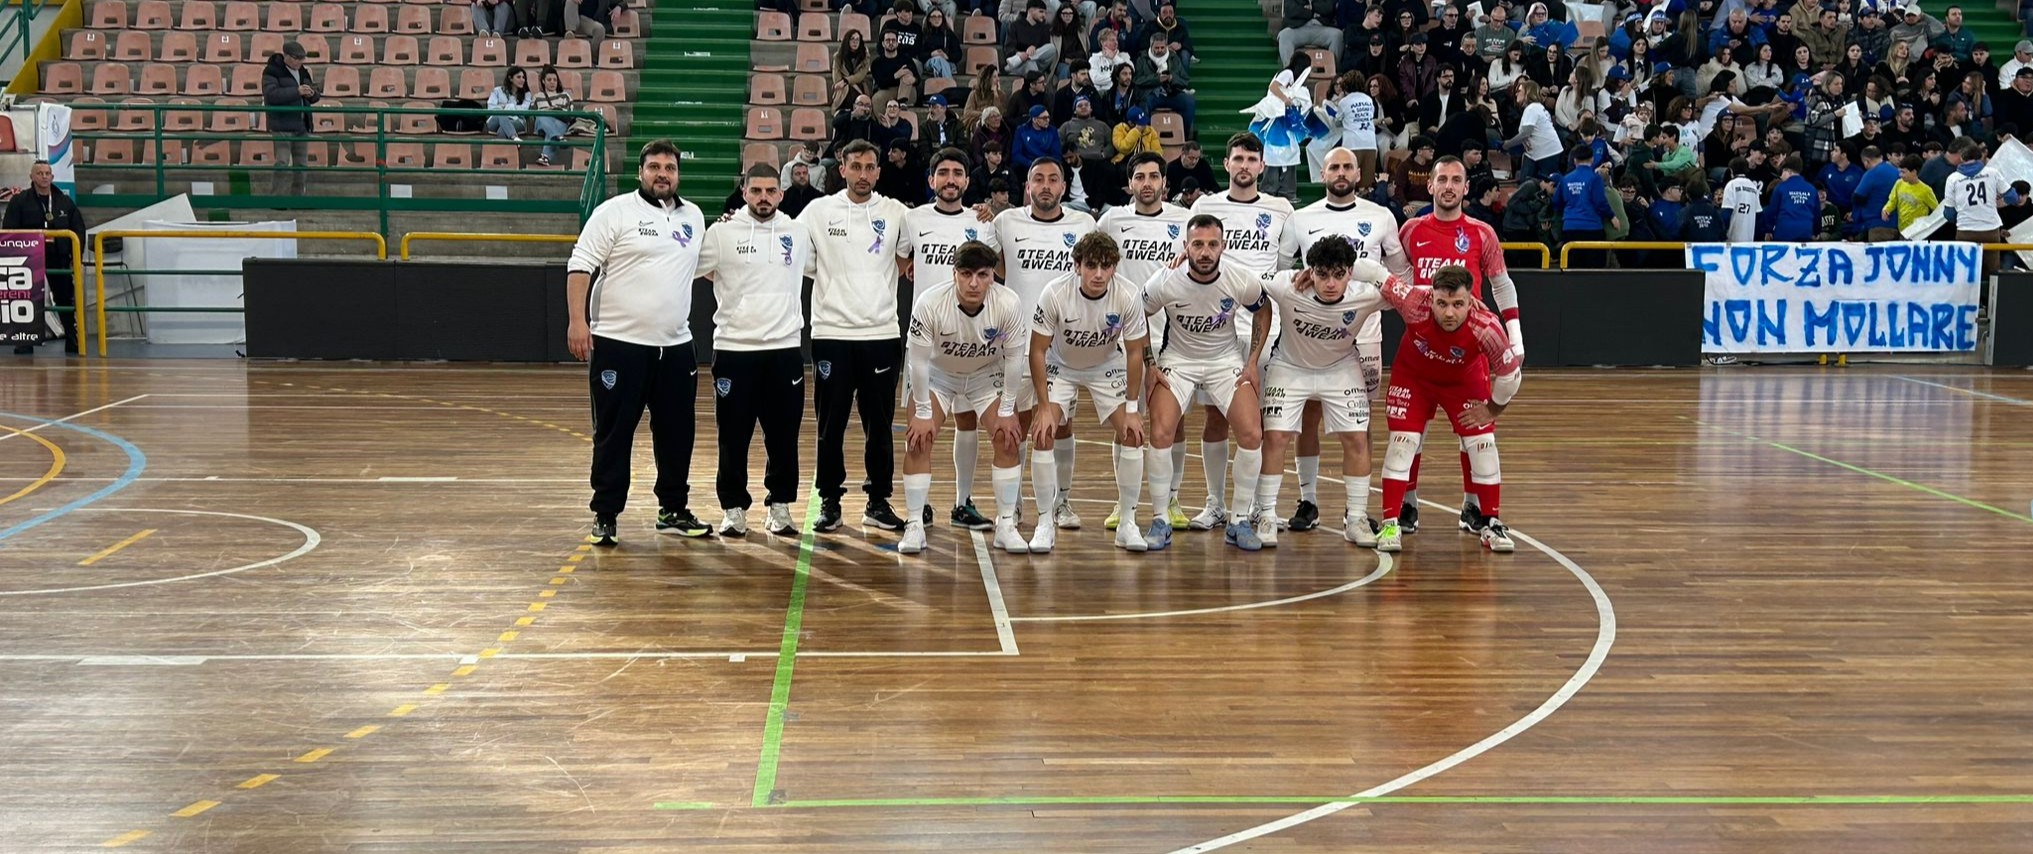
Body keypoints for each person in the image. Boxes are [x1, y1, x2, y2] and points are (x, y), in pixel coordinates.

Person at [566, 140, 709, 546]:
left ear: (678, 174)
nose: (662, 174)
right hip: (619, 344)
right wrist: (578, 322)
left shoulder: (694, 217)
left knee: (677, 433)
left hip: (676, 346)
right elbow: (580, 265)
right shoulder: (614, 212)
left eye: (670, 167)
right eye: (654, 167)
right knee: (614, 432)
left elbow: (701, 267)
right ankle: (606, 513)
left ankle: (673, 509)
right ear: (640, 172)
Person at [1279, 147, 1408, 533]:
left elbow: (1400, 272)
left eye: (1347, 166)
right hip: (1312, 333)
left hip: (1363, 333)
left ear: (1358, 173)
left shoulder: (1381, 216)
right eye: (1333, 166)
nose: (1340, 172)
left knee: (1359, 422)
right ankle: (1308, 501)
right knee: (1308, 416)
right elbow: (1285, 271)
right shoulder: (1300, 218)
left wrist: (1372, 304)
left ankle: (1357, 509)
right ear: (1322, 173)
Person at [1395, 156, 1523, 531]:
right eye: (1442, 180)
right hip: (1420, 348)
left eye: (1456, 180)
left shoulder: (1482, 232)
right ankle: (1407, 503)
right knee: (1410, 432)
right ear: (1430, 186)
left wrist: (1514, 337)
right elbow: (1398, 279)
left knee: (1475, 431)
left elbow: (1501, 284)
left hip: (1470, 351)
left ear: (1466, 188)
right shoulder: (1411, 230)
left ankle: (1472, 506)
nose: (1449, 186)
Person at [797, 139, 918, 533]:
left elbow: (907, 257)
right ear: (842, 169)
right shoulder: (817, 211)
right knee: (830, 424)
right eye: (856, 167)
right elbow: (798, 255)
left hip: (881, 333)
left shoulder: (896, 212)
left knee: (879, 424)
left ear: (878, 172)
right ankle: (829, 501)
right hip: (831, 333)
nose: (863, 174)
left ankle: (878, 500)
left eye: (870, 167)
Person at [1138, 214, 1273, 552]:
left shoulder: (1238, 278)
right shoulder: (1166, 280)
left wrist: (1252, 362)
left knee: (1252, 433)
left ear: (1223, 247)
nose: (1205, 251)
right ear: (1185, 247)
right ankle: (1160, 519)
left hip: (1225, 361)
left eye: (1213, 244)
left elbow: (1264, 307)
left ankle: (1239, 520)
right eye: (1197, 244)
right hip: (1178, 360)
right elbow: (1136, 314)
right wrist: (1150, 363)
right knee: (1160, 432)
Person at [696, 165, 814, 538]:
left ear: (780, 195)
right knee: (733, 435)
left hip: (784, 350)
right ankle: (733, 508)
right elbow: (696, 269)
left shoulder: (798, 232)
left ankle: (779, 507)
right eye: (756, 191)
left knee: (783, 435)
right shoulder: (721, 233)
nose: (764, 197)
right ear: (743, 193)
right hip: (735, 349)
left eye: (770, 191)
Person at [1374, 264, 1522, 554]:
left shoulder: (1487, 327)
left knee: (1483, 443)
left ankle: (1491, 522)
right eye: (1442, 304)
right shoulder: (1414, 302)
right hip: (1413, 378)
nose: (1449, 313)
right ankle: (1391, 522)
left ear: (1472, 301)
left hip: (1461, 382)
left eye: (1458, 304)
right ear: (1431, 298)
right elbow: (1373, 272)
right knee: (1402, 444)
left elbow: (1511, 375)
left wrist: (1492, 410)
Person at [1256, 237, 1393, 548]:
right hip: (1290, 366)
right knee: (1275, 436)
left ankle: (1356, 518)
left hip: (1340, 367)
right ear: (1310, 271)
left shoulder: (1366, 294)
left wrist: (1364, 271)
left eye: (1339, 274)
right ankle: (1265, 514)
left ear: (1350, 273)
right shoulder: (1285, 285)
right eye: (1322, 274)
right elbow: (1244, 280)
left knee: (1357, 438)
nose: (1330, 283)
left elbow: (1409, 294)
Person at [1188, 132, 1293, 532]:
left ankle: (1257, 507)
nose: (1245, 165)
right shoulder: (1205, 205)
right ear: (1226, 164)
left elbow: (1282, 266)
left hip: (1265, 324)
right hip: (1217, 326)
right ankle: (1214, 503)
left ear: (1263, 166)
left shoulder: (1282, 209)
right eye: (1238, 158)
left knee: (1261, 420)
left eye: (1252, 158)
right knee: (1215, 416)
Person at [901, 242, 1031, 554]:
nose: (974, 283)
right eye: (966, 274)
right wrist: (921, 412)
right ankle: (915, 523)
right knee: (919, 438)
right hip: (938, 373)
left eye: (983, 275)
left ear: (992, 277)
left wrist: (1008, 408)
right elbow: (916, 361)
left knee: (1008, 437)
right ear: (954, 274)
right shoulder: (930, 303)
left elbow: (1015, 360)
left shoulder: (1009, 304)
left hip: (985, 374)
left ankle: (1006, 525)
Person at [1026, 232, 1151, 553]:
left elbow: (1136, 353)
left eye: (1106, 266)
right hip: (1061, 365)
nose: (1098, 274)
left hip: (1106, 365)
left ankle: (1127, 523)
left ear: (1114, 268)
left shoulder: (1127, 294)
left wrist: (1133, 408)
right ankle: (1044, 521)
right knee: (1043, 433)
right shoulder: (1055, 293)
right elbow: (1037, 351)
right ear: (1077, 266)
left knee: (1133, 434)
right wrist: (1042, 406)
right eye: (1091, 265)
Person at [992, 157, 1099, 529]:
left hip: (1065, 347)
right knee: (1018, 424)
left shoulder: (1084, 224)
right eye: (1039, 179)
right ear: (1027, 186)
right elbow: (994, 266)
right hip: (1017, 343)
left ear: (1064, 187)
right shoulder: (1005, 222)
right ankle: (1017, 501)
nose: (1046, 186)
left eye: (1054, 179)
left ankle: (1061, 502)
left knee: (1060, 425)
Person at [906, 149, 1001, 529]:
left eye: (957, 173)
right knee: (922, 427)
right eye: (942, 172)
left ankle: (963, 502)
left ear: (966, 180)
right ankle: (920, 506)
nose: (950, 179)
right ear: (931, 180)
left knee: (967, 423)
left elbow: (995, 270)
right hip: (927, 344)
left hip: (973, 343)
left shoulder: (983, 223)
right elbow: (900, 261)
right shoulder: (912, 219)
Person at [1096, 151, 1190, 530]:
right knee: (1127, 420)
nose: (1147, 183)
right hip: (1124, 336)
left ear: (1165, 183)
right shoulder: (1111, 220)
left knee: (1173, 420)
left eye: (1154, 176)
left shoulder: (1184, 221)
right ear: (1130, 183)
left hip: (1176, 334)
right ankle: (1126, 501)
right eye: (1140, 176)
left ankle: (1171, 499)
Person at [4, 161, 87, 355]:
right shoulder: (19, 201)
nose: (44, 176)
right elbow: (9, 229)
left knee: (65, 297)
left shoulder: (64, 201)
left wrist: (77, 255)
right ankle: (24, 341)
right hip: (28, 258)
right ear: (31, 177)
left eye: (47, 173)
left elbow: (79, 229)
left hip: (58, 256)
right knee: (27, 298)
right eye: (39, 173)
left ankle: (71, 337)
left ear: (52, 177)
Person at [1943, 137, 2012, 276]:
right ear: (1980, 157)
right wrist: (1996, 204)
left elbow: (1949, 214)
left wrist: (1963, 215)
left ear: (1962, 158)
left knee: (1965, 272)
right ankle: (1990, 297)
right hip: (1990, 229)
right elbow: (2012, 196)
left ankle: (1967, 297)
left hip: (1965, 230)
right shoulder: (1992, 173)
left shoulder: (1952, 178)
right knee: (1993, 272)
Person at [262, 41, 318, 197]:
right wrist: (296, 91)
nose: (300, 61)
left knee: (301, 165)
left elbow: (315, 94)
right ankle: (278, 198)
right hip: (282, 125)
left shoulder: (303, 72)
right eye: (296, 58)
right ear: (286, 56)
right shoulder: (272, 71)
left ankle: (298, 197)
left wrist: (312, 93)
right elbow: (271, 95)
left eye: (302, 58)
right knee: (282, 163)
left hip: (302, 125)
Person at [1761, 155, 1820, 241]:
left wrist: (1768, 230)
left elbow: (1771, 211)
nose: (1781, 176)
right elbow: (1817, 214)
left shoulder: (1780, 188)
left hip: (1783, 234)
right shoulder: (1812, 189)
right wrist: (1816, 232)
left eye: (1782, 172)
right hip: (1806, 233)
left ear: (1788, 171)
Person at [1278, 0, 1341, 65]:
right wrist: (1312, 14)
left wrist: (1312, 7)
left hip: (1321, 27)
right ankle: (1289, 71)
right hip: (1298, 27)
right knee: (1284, 36)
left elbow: (1329, 8)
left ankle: (1332, 70)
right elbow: (1291, 10)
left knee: (1337, 35)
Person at [486, 67, 535, 142]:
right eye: (518, 77)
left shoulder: (527, 94)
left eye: (523, 77)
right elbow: (491, 108)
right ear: (510, 78)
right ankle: (513, 136)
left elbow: (524, 110)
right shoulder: (497, 91)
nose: (522, 80)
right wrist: (511, 108)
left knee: (502, 129)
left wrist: (505, 106)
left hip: (517, 121)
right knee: (500, 113)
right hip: (495, 120)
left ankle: (503, 149)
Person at [1722, 157, 1764, 243]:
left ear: (1731, 171)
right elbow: (1759, 214)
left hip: (1732, 239)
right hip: (1749, 239)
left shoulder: (1731, 185)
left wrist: (1721, 234)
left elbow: (1727, 213)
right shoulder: (1752, 186)